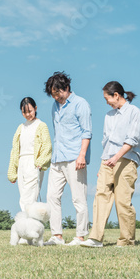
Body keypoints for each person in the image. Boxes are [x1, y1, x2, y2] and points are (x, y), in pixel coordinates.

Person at [81, 81, 140, 248]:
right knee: (101, 196)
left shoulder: (134, 112)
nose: (106, 101)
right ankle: (95, 238)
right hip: (107, 160)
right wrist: (104, 162)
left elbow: (132, 139)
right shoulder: (108, 115)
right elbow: (105, 141)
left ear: (116, 95)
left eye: (107, 98)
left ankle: (126, 241)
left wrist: (116, 157)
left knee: (122, 201)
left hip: (126, 159)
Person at [43, 71, 92, 246]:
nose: (56, 97)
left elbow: (87, 132)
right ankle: (57, 235)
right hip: (57, 158)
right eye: (53, 94)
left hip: (75, 158)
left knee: (78, 198)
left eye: (58, 93)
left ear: (67, 88)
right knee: (52, 197)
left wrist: (82, 156)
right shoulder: (54, 107)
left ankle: (80, 236)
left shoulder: (81, 104)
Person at [8, 97, 52, 212]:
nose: (28, 114)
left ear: (35, 108)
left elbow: (47, 146)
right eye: (24, 112)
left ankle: (28, 223)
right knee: (23, 197)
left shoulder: (41, 125)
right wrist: (12, 170)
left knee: (29, 197)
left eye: (30, 111)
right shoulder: (20, 127)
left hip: (34, 163)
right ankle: (27, 225)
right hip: (21, 163)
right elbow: (14, 150)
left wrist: (41, 162)